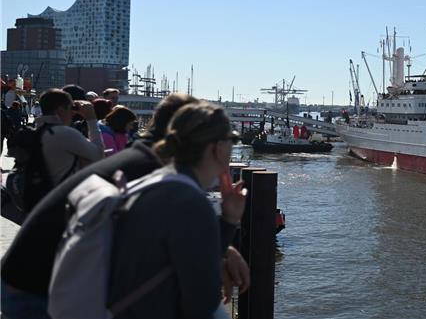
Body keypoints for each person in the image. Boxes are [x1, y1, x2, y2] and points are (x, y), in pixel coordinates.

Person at [1, 94, 249, 318]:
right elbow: (200, 298)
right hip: (38, 288)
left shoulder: (145, 166)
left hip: (31, 276)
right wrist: (225, 233)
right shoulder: (160, 178)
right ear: (215, 146)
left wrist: (222, 247)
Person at [107, 101, 246, 318]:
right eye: (232, 140)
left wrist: (229, 219)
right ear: (217, 147)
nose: (232, 147)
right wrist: (229, 223)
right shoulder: (190, 203)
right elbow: (203, 303)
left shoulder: (161, 182)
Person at [35, 88, 104, 185]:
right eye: (71, 108)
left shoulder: (37, 130)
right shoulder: (65, 133)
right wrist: (91, 118)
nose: (73, 113)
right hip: (62, 194)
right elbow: (99, 156)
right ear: (60, 110)